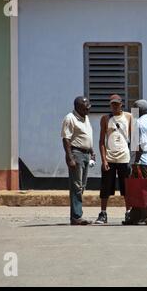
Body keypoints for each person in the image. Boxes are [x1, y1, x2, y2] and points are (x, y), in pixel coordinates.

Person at [95, 94, 133, 224]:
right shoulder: (105, 119)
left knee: (126, 188)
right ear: (110, 105)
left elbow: (133, 139)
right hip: (110, 158)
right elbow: (101, 141)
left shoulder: (128, 117)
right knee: (105, 187)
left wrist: (133, 159)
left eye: (117, 104)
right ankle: (103, 213)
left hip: (124, 158)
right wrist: (104, 160)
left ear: (121, 104)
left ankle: (128, 212)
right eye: (113, 104)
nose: (115, 106)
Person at [61, 96, 96, 225]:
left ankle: (76, 215)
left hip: (86, 154)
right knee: (76, 186)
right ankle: (76, 216)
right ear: (78, 107)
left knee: (82, 186)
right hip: (76, 154)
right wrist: (70, 157)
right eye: (85, 107)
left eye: (89, 107)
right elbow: (66, 139)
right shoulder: (70, 118)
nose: (88, 109)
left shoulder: (85, 118)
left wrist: (92, 151)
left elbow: (86, 136)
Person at [124, 99, 147, 226]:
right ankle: (135, 217)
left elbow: (141, 144)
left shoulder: (139, 123)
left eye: (134, 108)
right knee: (137, 190)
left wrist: (136, 163)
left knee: (143, 190)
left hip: (142, 162)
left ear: (138, 110)